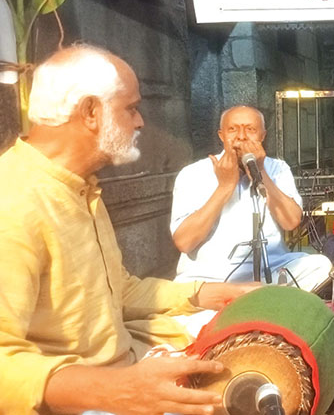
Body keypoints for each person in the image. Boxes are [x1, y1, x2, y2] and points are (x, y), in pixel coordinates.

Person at [0, 44, 257, 414]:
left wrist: (217, 294)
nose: (140, 122)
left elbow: (119, 291)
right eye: (131, 108)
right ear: (91, 112)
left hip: (128, 361)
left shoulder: (79, 188)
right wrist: (116, 390)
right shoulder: (13, 200)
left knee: (250, 338)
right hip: (86, 400)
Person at [170, 105, 332, 290]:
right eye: (233, 129)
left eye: (250, 129)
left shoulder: (277, 168)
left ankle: (243, 296)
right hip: (210, 274)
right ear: (221, 136)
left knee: (320, 265)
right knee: (185, 290)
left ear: (262, 136)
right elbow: (184, 242)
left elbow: (291, 222)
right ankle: (255, 296)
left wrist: (260, 172)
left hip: (269, 269)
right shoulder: (193, 173)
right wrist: (224, 187)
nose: (241, 137)